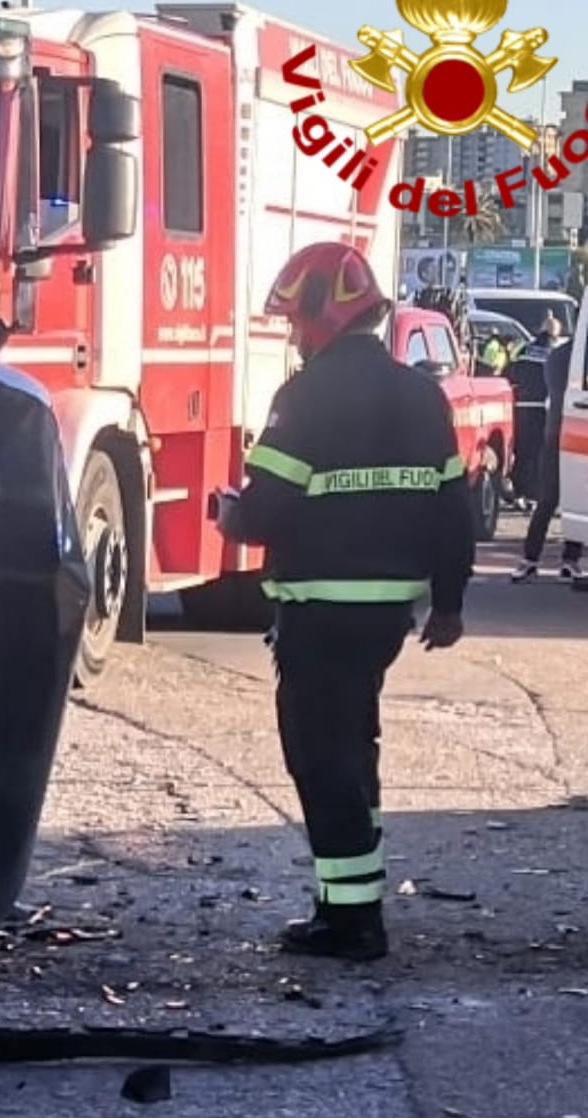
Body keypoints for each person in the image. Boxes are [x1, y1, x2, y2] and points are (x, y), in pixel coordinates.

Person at [215, 242, 474, 963]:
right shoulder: (422, 396)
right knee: (354, 753)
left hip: (319, 612)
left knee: (321, 759)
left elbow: (264, 511)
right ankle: (348, 903)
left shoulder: (305, 398)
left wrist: (230, 515)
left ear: (323, 312)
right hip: (388, 616)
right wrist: (449, 603)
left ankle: (354, 923)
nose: (295, 336)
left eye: (296, 321)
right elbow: (454, 509)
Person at [511, 328, 585, 582]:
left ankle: (532, 559)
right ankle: (567, 560)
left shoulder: (558, 355)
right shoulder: (583, 357)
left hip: (557, 431)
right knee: (571, 501)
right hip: (573, 432)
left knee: (549, 499)